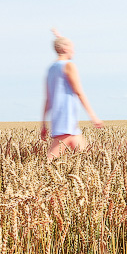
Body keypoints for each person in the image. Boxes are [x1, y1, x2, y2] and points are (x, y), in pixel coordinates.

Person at [40, 29, 104, 159]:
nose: (74, 51)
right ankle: (36, 172)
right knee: (50, 160)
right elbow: (79, 92)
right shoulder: (69, 66)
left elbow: (48, 99)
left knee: (87, 158)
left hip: (60, 117)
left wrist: (43, 123)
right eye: (72, 48)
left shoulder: (51, 69)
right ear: (64, 49)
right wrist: (93, 117)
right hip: (66, 116)